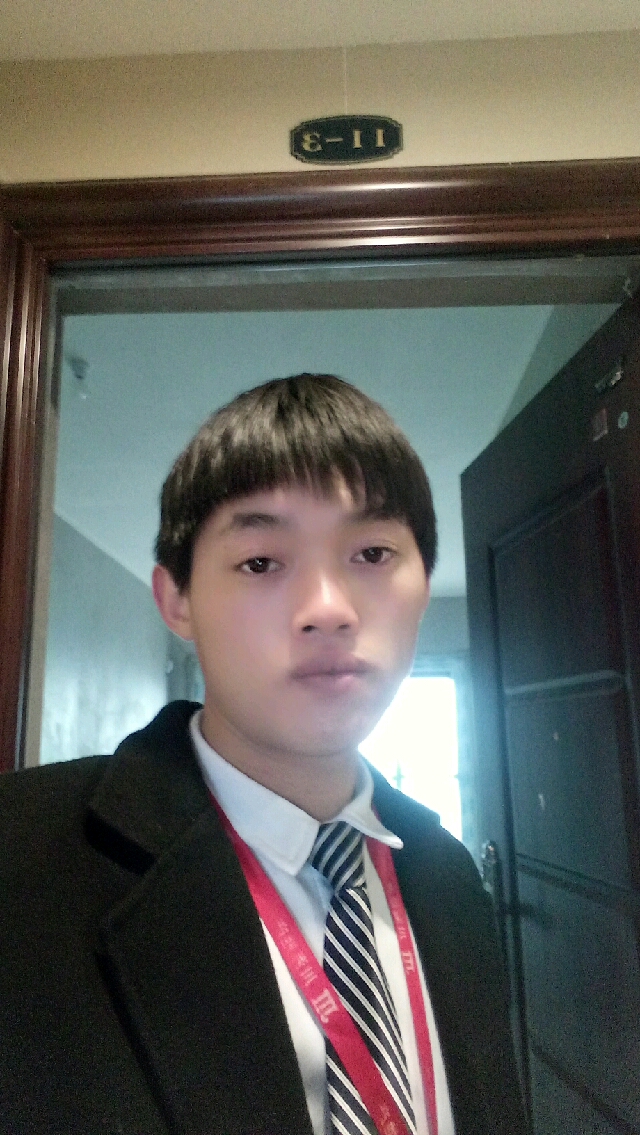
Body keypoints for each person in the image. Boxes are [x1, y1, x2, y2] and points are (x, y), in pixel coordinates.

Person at [0, 374, 527, 1135]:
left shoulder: (449, 877)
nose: (328, 609)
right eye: (260, 562)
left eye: (373, 552)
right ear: (177, 599)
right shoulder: (21, 859)